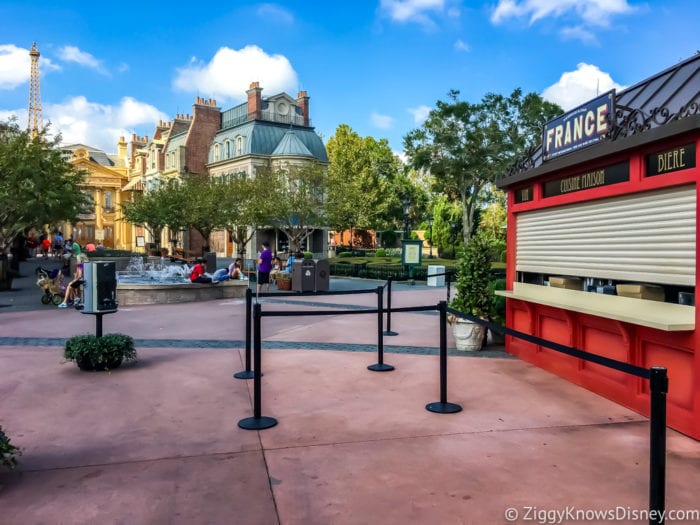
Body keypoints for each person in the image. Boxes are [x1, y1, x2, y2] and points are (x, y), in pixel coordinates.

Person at [58, 243, 89, 308]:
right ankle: (77, 298)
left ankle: (64, 302)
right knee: (73, 285)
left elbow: (80, 274)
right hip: (86, 278)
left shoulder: (79, 259)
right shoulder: (82, 256)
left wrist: (75, 279)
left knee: (69, 285)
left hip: (82, 279)